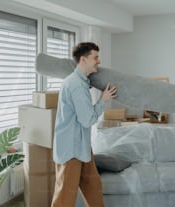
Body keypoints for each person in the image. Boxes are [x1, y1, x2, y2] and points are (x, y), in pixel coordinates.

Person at [51, 42, 117, 207]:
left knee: (94, 188)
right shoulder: (76, 85)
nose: (98, 61)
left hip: (81, 147)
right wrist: (103, 100)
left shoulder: (82, 83)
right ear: (83, 59)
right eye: (95, 57)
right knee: (64, 200)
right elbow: (87, 120)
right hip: (71, 150)